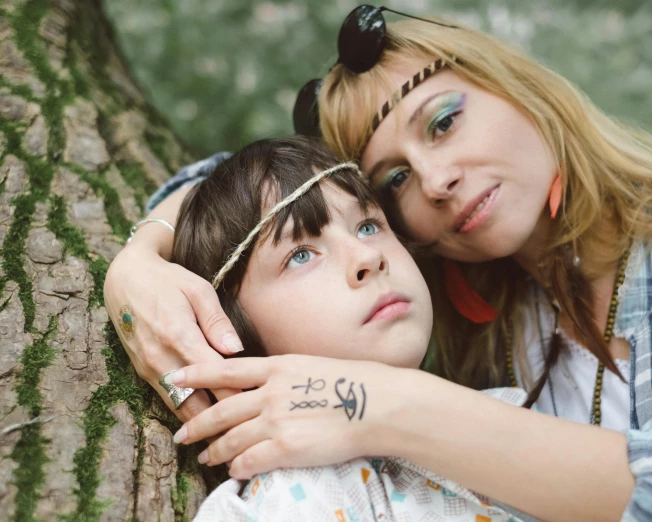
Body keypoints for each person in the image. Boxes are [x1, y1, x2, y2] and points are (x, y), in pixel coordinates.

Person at [104, 6, 652, 521]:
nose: (433, 182)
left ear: (518, 88)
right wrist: (138, 262)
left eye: (443, 121)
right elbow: (249, 193)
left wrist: (385, 407)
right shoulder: (417, 292)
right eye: (392, 181)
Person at [160, 135, 529, 521]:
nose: (368, 257)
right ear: (228, 334)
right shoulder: (300, 497)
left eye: (368, 226)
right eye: (301, 255)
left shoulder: (511, 412)